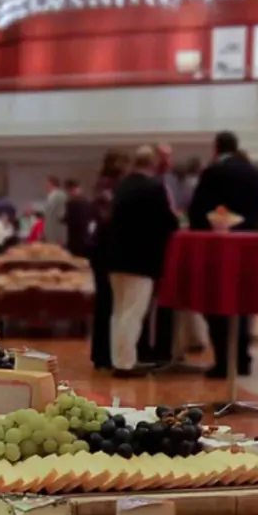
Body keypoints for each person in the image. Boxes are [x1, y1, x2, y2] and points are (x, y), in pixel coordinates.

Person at [187, 131, 258, 378]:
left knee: (217, 303)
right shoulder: (253, 172)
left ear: (216, 147)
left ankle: (224, 361)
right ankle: (243, 358)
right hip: (250, 246)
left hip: (219, 248)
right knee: (243, 304)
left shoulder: (213, 172)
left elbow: (198, 211)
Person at [102, 146, 180, 377]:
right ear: (153, 164)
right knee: (133, 313)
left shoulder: (122, 186)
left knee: (118, 312)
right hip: (141, 259)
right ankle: (126, 364)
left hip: (115, 257)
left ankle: (119, 359)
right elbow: (168, 222)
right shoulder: (155, 187)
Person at [90, 152, 130, 370]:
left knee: (106, 303)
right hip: (106, 248)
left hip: (103, 248)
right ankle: (104, 354)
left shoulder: (105, 186)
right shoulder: (109, 187)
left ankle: (103, 354)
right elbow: (107, 217)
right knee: (108, 303)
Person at [64, 178, 93, 258]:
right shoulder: (87, 202)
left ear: (69, 190)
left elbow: (68, 221)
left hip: (75, 240)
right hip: (86, 238)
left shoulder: (71, 204)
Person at [42, 175, 68, 247]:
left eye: (46, 183)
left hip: (57, 236)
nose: (45, 185)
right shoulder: (50, 196)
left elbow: (61, 216)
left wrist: (61, 236)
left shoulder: (60, 196)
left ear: (51, 183)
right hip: (50, 234)